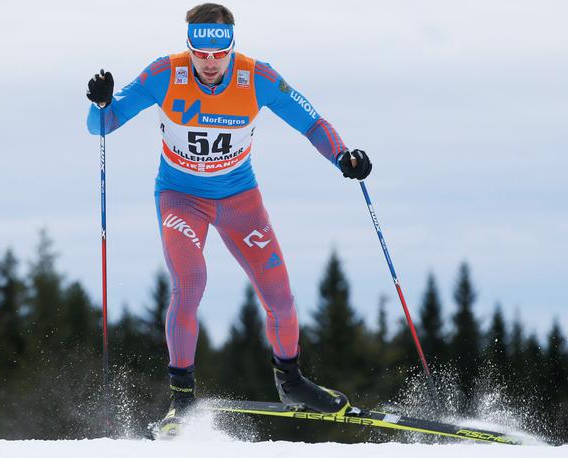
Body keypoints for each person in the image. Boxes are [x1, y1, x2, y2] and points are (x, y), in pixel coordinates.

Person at [86, 3, 372, 435]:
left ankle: (291, 381)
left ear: (231, 48)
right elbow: (102, 125)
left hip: (240, 199)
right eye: (201, 53)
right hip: (181, 198)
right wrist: (101, 101)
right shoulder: (165, 73)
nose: (210, 63)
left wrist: (343, 157)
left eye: (219, 53)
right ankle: (181, 401)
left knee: (280, 294)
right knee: (190, 282)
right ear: (190, 48)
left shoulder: (258, 77)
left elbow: (311, 122)